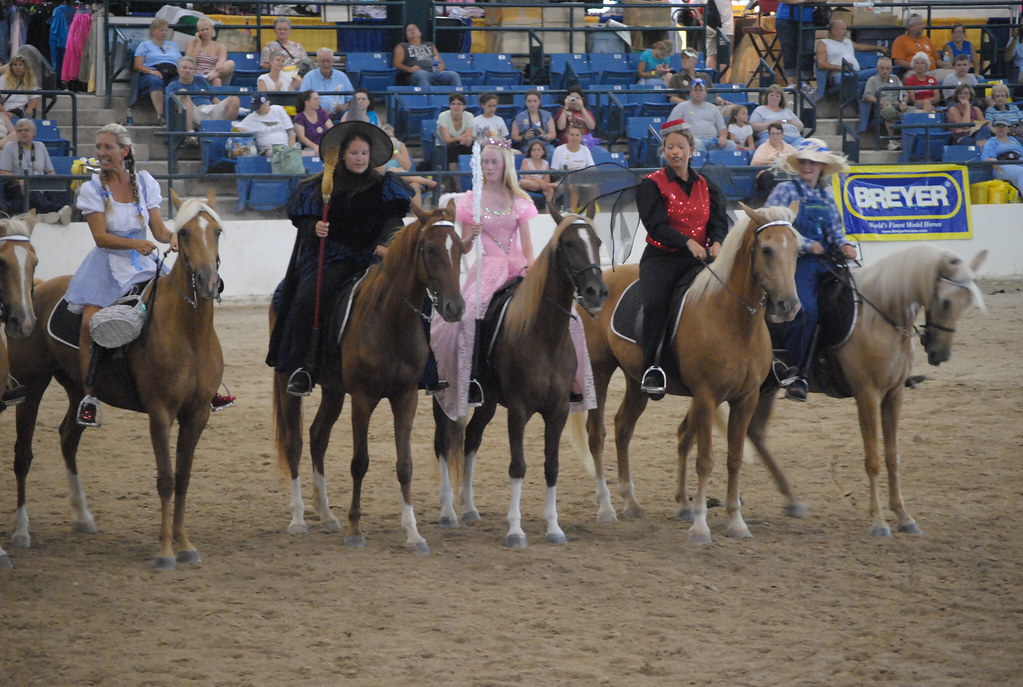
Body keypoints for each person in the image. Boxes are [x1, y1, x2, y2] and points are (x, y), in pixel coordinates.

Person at [267, 119, 413, 396]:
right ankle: (304, 367)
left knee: (418, 300)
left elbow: (394, 220)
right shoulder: (321, 187)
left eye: (364, 153)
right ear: (342, 155)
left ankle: (423, 367)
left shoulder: (385, 186)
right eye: (354, 153)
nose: (359, 158)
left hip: (375, 258)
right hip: (334, 257)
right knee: (307, 299)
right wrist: (315, 227)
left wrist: (385, 243)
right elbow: (305, 223)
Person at [64, 124, 176, 426]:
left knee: (176, 310)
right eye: (98, 147)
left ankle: (199, 382)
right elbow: (100, 238)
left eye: (107, 147)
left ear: (124, 151)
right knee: (89, 322)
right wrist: (135, 243)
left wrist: (174, 237)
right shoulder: (92, 189)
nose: (101, 153)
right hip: (107, 264)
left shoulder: (145, 182)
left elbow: (159, 230)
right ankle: (89, 397)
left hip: (142, 261)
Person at [429, 140, 537, 418]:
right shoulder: (470, 201)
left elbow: (527, 246)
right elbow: (461, 248)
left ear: (504, 166)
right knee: (469, 317)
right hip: (487, 268)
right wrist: (471, 235)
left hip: (517, 265)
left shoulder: (519, 200)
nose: (488, 167)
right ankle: (473, 377)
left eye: (493, 162)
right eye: (484, 162)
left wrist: (531, 270)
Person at [636, 120, 729, 397]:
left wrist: (719, 242)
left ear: (691, 150)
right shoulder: (651, 184)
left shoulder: (706, 185)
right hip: (662, 257)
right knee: (656, 305)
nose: (675, 152)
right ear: (664, 151)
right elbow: (656, 226)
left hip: (700, 258)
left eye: (681, 147)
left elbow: (718, 222)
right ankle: (652, 367)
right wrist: (688, 242)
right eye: (670, 147)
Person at [765, 138, 857, 402]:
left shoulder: (826, 194)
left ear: (822, 167)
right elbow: (774, 226)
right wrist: (805, 244)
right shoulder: (785, 190)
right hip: (795, 262)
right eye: (803, 161)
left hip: (827, 261)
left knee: (854, 301)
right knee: (805, 310)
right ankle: (797, 372)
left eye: (812, 162)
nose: (807, 166)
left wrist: (844, 244)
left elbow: (835, 229)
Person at [0, 118, 72, 223]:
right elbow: (3, 171)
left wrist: (56, 184)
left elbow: (50, 171)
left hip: (40, 186)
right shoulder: (9, 147)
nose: (23, 133)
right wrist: (20, 180)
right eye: (19, 131)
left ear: (33, 132)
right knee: (32, 191)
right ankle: (58, 210)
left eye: (26, 130)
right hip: (18, 188)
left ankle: (48, 215)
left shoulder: (40, 146)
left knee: (62, 189)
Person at [165, 56, 240, 132]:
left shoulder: (201, 80)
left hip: (209, 108)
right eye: (184, 68)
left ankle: (227, 133)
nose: (187, 71)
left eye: (190, 68)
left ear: (194, 71)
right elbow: (171, 107)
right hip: (191, 112)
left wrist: (225, 106)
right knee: (183, 92)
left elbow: (214, 99)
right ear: (178, 70)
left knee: (234, 100)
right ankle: (190, 135)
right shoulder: (172, 86)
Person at [815, 19, 887, 98]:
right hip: (839, 74)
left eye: (846, 29)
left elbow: (862, 47)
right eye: (843, 29)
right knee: (878, 72)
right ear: (834, 31)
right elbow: (821, 64)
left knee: (881, 72)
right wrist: (842, 67)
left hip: (856, 72)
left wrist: (879, 48)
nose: (846, 31)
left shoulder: (847, 41)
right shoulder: (824, 43)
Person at [133, 18, 183, 126]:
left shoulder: (172, 45)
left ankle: (179, 115)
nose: (164, 33)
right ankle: (161, 115)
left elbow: (180, 61)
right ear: (153, 31)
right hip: (152, 71)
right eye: (161, 30)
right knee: (155, 81)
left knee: (180, 82)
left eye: (165, 30)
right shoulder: (144, 45)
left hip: (172, 71)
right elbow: (137, 65)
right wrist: (151, 71)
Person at [667, 78, 736, 152]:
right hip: (691, 140)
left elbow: (722, 127)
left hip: (713, 141)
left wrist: (723, 137)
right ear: (691, 92)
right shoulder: (681, 107)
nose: (698, 92)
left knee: (731, 145)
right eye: (695, 90)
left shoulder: (713, 107)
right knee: (696, 144)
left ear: (706, 92)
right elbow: (671, 127)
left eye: (701, 90)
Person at [377, 123, 437, 206]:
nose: (389, 139)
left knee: (415, 185)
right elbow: (380, 169)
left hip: (403, 179)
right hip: (384, 180)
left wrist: (395, 152)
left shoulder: (400, 146)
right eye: (386, 136)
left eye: (391, 136)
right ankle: (428, 182)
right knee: (391, 170)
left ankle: (417, 216)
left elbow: (407, 167)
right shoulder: (377, 148)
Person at [393, 22, 461, 88]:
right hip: (415, 74)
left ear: (420, 33)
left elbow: (441, 62)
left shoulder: (430, 45)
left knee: (453, 75)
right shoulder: (402, 46)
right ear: (406, 35)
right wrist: (409, 69)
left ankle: (457, 98)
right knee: (422, 74)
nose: (412, 31)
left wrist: (441, 66)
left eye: (414, 29)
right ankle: (426, 98)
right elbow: (396, 64)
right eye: (409, 30)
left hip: (434, 72)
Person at [862, 56, 908, 150]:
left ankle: (909, 140)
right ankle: (892, 141)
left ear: (891, 69)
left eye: (887, 68)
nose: (885, 71)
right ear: (878, 68)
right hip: (882, 108)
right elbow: (867, 96)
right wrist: (880, 101)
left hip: (899, 106)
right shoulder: (872, 80)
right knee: (889, 111)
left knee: (918, 113)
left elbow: (904, 94)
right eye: (882, 68)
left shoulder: (895, 78)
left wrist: (904, 102)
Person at [550, 123, 597, 211]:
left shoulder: (585, 150)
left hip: (582, 177)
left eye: (577, 135)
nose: (574, 137)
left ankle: (590, 211)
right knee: (573, 186)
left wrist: (583, 172)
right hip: (565, 178)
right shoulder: (559, 150)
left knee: (594, 186)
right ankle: (573, 213)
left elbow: (592, 167)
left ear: (581, 137)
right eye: (572, 135)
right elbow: (554, 171)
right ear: (567, 136)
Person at [300, 48, 353, 121]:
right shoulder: (309, 77)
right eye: (323, 61)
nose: (326, 64)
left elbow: (351, 98)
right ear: (317, 61)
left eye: (328, 61)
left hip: (341, 114)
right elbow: (303, 99)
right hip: (317, 114)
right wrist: (320, 109)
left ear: (333, 61)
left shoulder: (342, 76)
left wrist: (345, 106)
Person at [437, 92, 474, 191]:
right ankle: (458, 185)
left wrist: (464, 139)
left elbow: (469, 135)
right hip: (444, 145)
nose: (456, 107)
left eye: (459, 104)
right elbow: (447, 139)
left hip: (462, 143)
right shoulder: (443, 116)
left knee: (470, 147)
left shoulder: (469, 116)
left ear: (464, 106)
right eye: (453, 104)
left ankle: (471, 183)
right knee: (452, 149)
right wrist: (460, 138)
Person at [774, 0, 817, 86]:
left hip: (808, 18)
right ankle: (791, 83)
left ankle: (805, 82)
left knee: (808, 50)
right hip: (785, 18)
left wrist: (800, 1)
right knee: (788, 51)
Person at [185, 16, 236, 86]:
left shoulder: (220, 46)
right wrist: (198, 43)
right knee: (217, 80)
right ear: (198, 32)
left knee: (230, 64)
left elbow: (222, 60)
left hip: (213, 73)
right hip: (196, 75)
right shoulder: (193, 43)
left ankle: (207, 77)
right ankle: (204, 79)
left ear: (212, 29)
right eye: (202, 30)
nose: (205, 32)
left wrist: (217, 68)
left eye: (207, 29)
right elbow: (190, 61)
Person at [981, 120, 1023, 195]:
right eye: (997, 126)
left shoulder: (1014, 140)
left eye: (1003, 126)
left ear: (1008, 128)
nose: (1000, 129)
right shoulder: (991, 142)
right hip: (1002, 166)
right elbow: (985, 158)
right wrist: (991, 160)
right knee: (1021, 172)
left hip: (1018, 161)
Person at [511, 89, 556, 154]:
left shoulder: (547, 115)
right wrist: (524, 137)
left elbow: (553, 134)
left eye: (535, 101)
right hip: (527, 145)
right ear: (525, 102)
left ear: (539, 102)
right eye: (529, 101)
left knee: (553, 151)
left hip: (545, 145)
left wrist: (544, 136)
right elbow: (514, 137)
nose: (532, 103)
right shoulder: (519, 118)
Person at [293, 90, 333, 156]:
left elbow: (332, 130)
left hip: (326, 147)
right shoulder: (299, 117)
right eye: (315, 99)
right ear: (307, 102)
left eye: (319, 99)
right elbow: (301, 137)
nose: (318, 101)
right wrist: (315, 147)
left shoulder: (322, 114)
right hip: (310, 148)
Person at [518, 139, 556, 207]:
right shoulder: (526, 161)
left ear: (543, 152)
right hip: (528, 184)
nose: (536, 152)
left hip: (542, 186)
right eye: (533, 150)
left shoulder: (546, 163)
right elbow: (527, 178)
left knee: (551, 190)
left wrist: (543, 183)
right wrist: (540, 181)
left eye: (539, 150)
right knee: (524, 182)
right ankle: (553, 185)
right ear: (530, 152)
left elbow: (547, 180)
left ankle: (549, 213)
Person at [0, 54, 40, 119]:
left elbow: (34, 98)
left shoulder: (31, 80)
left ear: (25, 67)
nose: (17, 67)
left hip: (23, 111)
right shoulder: (3, 79)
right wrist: (4, 112)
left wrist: (30, 108)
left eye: (20, 64)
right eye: (15, 65)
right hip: (5, 111)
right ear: (11, 67)